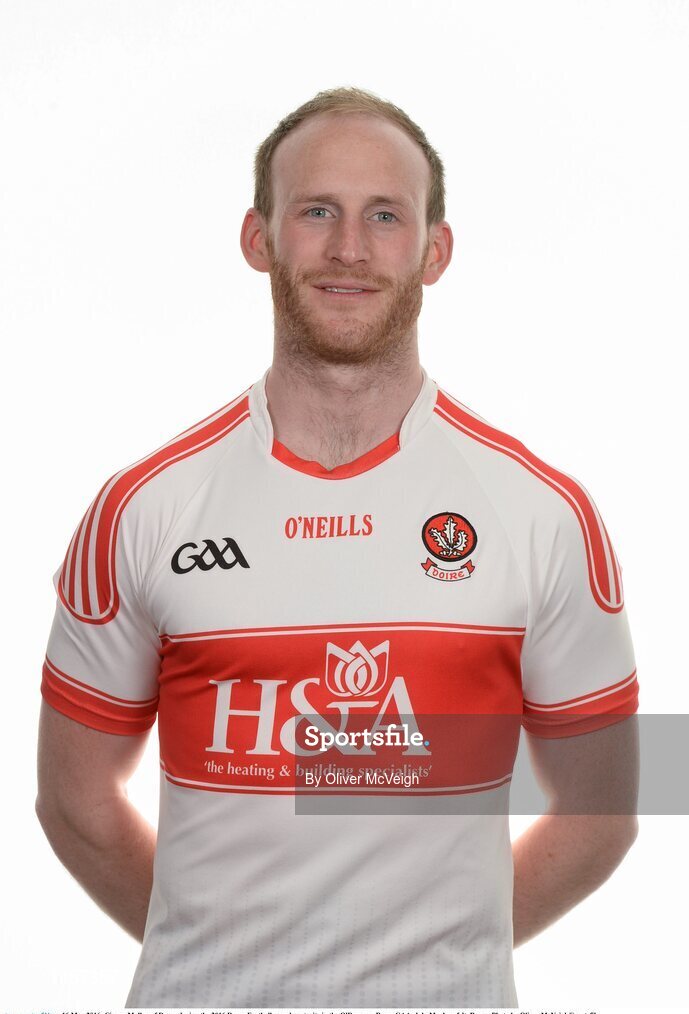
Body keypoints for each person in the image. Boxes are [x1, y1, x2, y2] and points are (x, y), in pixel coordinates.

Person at [36, 86, 640, 1008]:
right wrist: (226, 954)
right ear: (259, 238)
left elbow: (601, 813)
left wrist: (428, 960)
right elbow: (75, 804)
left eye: (384, 216)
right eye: (316, 210)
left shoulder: (540, 512)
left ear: (434, 250)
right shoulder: (143, 509)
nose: (348, 248)